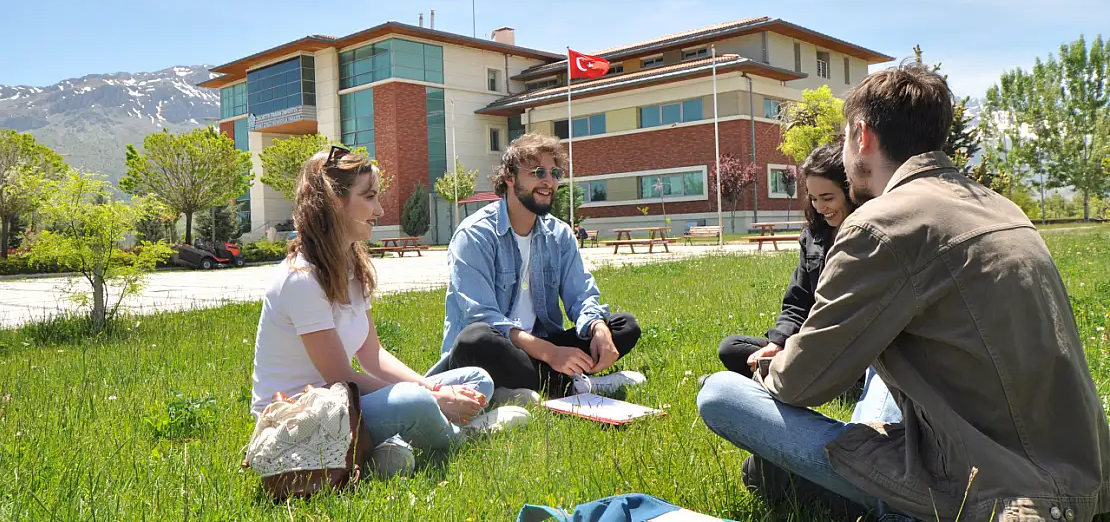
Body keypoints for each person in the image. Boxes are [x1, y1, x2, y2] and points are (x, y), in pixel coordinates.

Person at [697, 63, 1110, 522]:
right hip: (1085, 477)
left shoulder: (883, 223)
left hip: (990, 490)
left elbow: (803, 383)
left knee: (717, 393)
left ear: (861, 135)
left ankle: (887, 506)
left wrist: (763, 376)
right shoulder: (1001, 207)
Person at [250, 146, 529, 478]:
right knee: (416, 403)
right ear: (333, 201)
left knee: (475, 378)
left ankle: (388, 450)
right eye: (369, 197)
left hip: (344, 406)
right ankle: (466, 434)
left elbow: (373, 356)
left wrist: (435, 389)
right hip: (300, 419)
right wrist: (431, 398)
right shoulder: (301, 281)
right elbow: (340, 378)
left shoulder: (352, 268)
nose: (380, 209)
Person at [430, 132, 645, 404]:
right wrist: (552, 354)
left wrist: (597, 327)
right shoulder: (474, 235)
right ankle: (577, 384)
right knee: (475, 340)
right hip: (496, 350)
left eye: (555, 173)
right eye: (538, 171)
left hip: (542, 345)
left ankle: (536, 385)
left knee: (624, 325)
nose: (549, 181)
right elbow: (481, 317)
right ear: (510, 177)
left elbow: (580, 295)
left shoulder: (560, 234)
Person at [716, 141, 860, 376]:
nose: (821, 207)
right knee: (731, 348)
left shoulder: (868, 237)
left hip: (850, 346)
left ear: (850, 191)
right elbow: (797, 301)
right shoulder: (812, 237)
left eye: (828, 198)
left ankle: (780, 375)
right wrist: (779, 342)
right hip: (807, 342)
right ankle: (783, 369)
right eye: (814, 198)